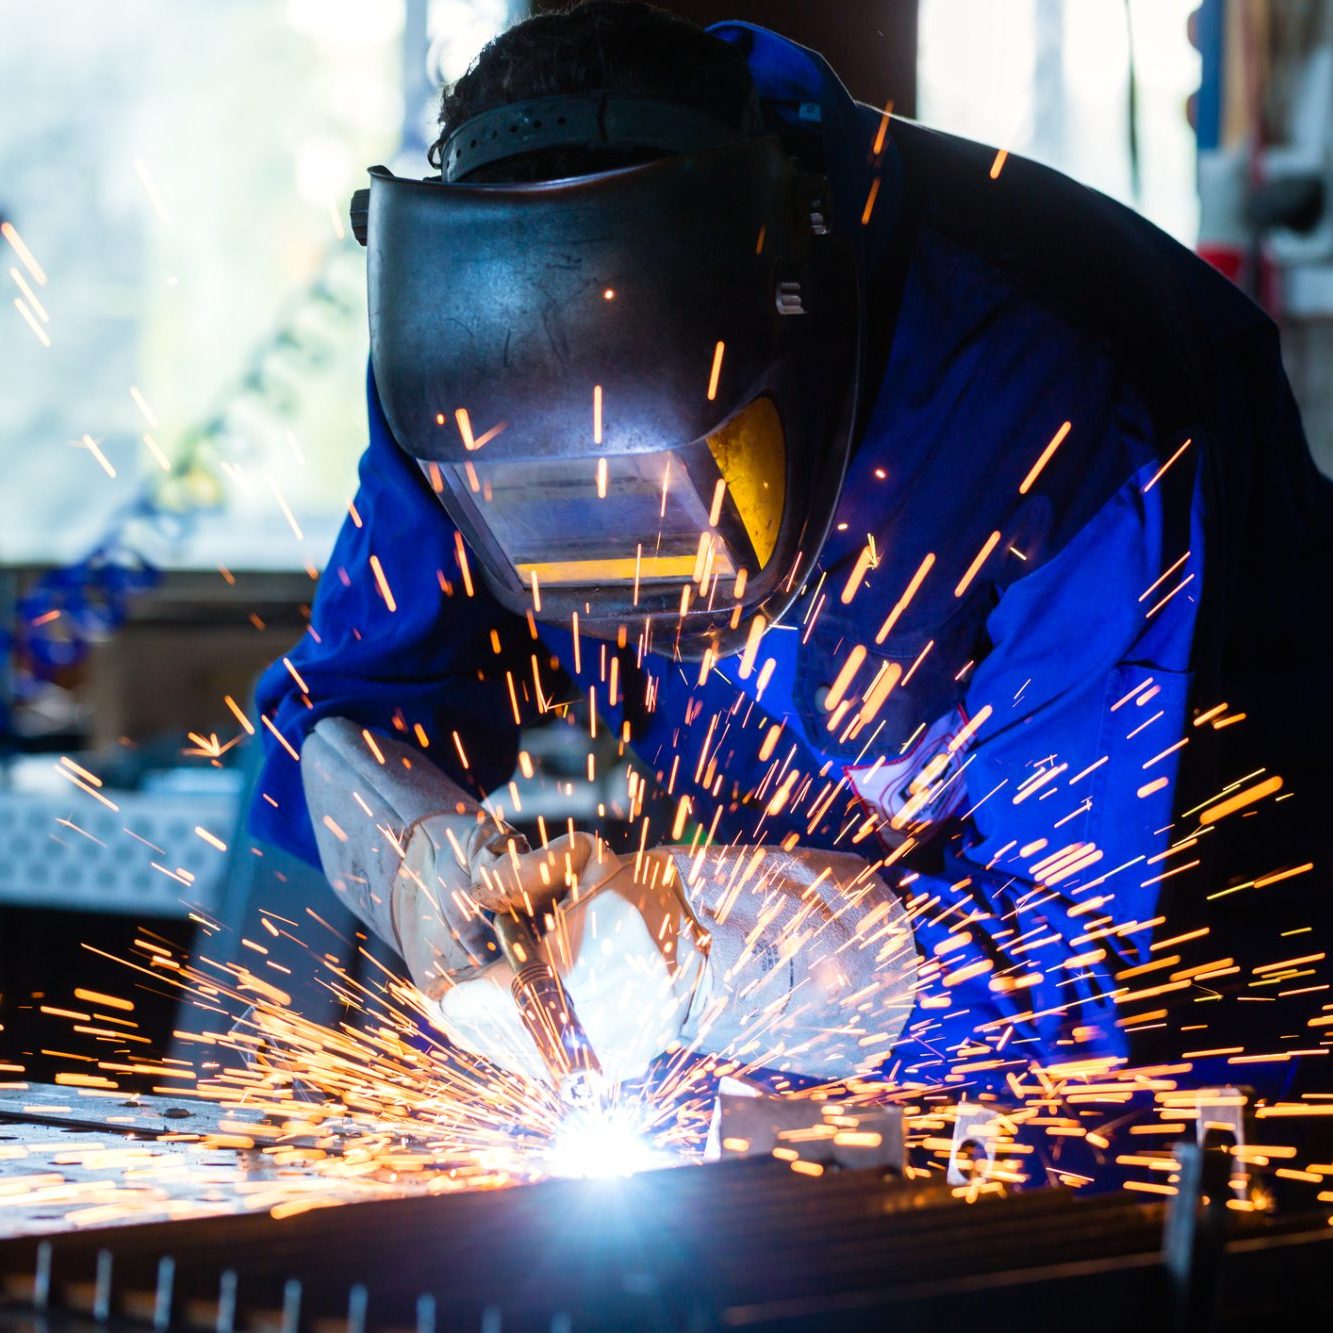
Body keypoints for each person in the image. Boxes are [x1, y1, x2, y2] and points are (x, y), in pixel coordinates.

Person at [252, 2, 1331, 1093]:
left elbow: (1081, 968)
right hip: (795, 1046)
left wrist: (714, 951)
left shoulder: (1055, 413)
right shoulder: (458, 382)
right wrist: (420, 864)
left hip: (1206, 1029)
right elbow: (349, 710)